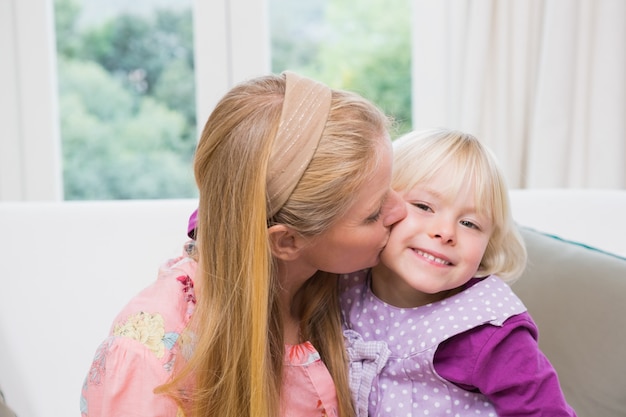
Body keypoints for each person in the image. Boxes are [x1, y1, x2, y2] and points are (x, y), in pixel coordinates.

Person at [80, 71, 407, 417]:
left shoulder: (352, 285)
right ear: (287, 241)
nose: (401, 210)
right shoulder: (149, 358)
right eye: (373, 214)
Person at [340, 128, 577, 416]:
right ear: (378, 205)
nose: (445, 232)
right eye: (424, 206)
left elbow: (545, 411)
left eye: (469, 224)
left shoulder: (488, 330)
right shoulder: (342, 279)